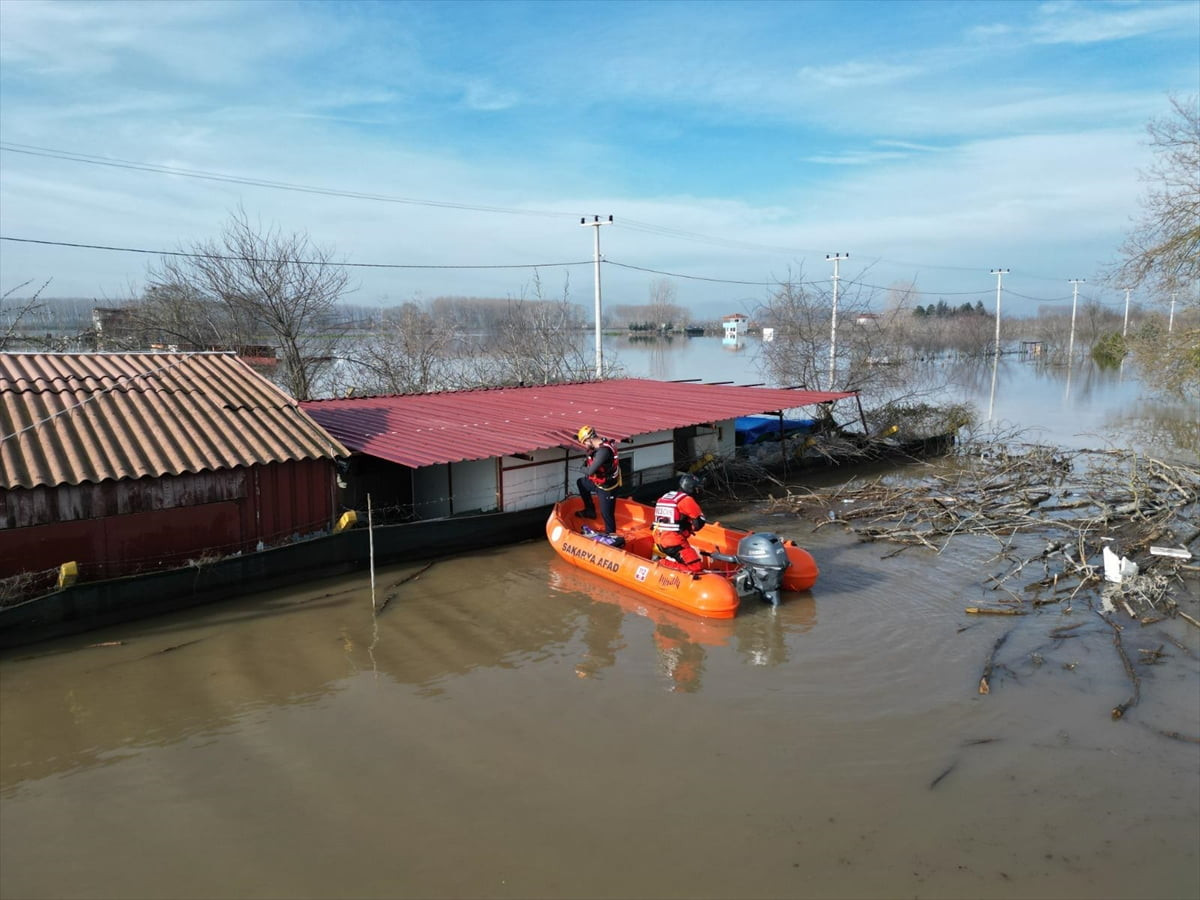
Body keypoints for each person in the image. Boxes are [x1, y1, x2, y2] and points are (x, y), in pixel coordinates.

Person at [653, 474, 707, 574]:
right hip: (674, 542)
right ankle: (662, 563)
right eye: (697, 489)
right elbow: (699, 523)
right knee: (696, 568)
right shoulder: (686, 500)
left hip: (659, 540)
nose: (698, 491)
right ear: (691, 488)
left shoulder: (665, 497)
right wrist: (689, 527)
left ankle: (669, 565)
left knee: (683, 556)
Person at [575, 424, 621, 535]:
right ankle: (590, 510)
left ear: (589, 439)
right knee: (581, 483)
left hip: (607, 487)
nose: (585, 446)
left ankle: (611, 536)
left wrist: (581, 468)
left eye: (585, 443)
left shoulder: (603, 452)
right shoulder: (598, 446)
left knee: (607, 514)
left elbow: (590, 471)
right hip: (598, 482)